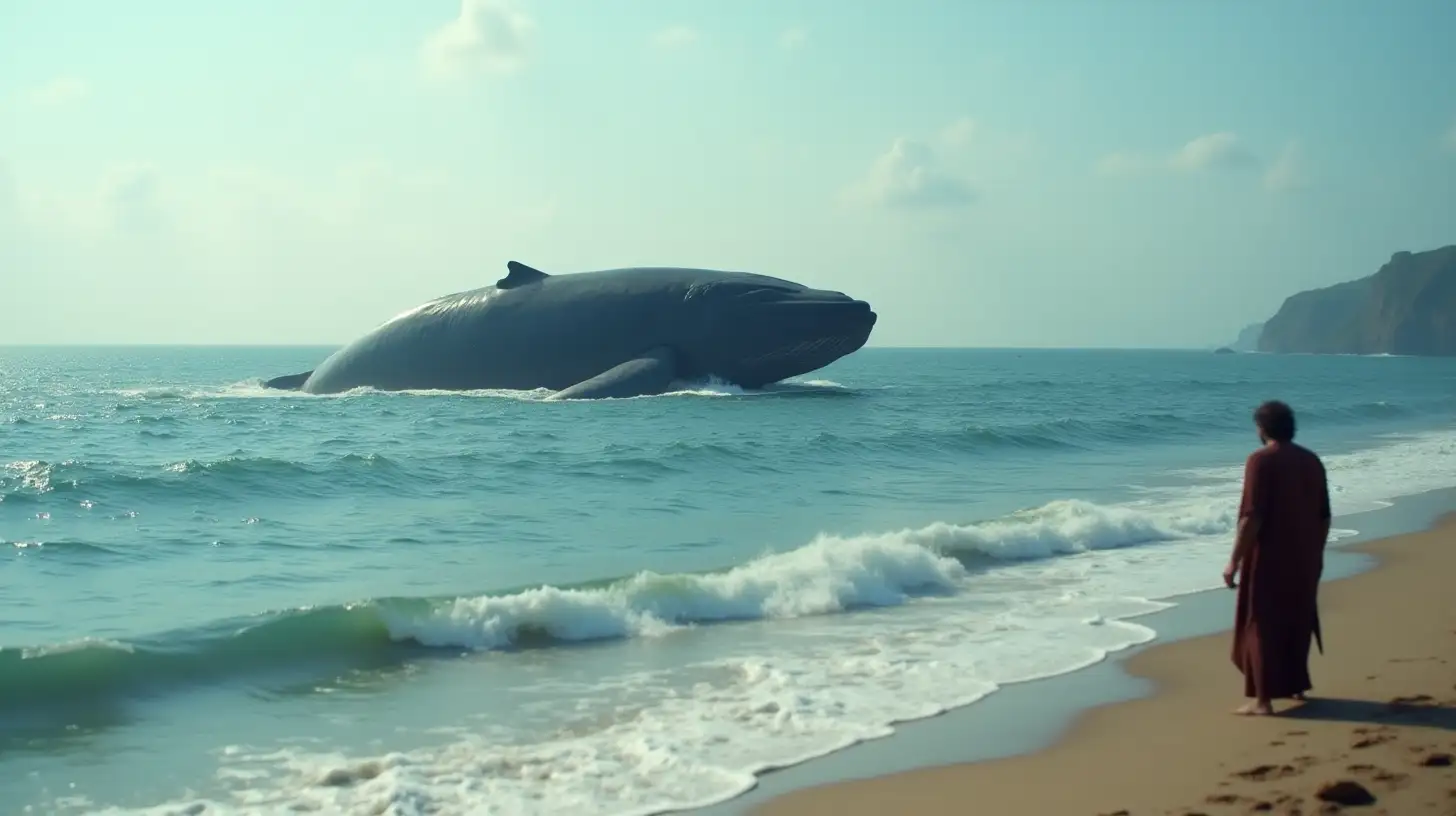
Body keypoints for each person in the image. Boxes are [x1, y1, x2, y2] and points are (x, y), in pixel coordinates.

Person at [1223, 399, 1332, 716]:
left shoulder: (1260, 461)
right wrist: (1318, 553)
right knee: (1297, 619)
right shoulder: (1311, 461)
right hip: (1306, 554)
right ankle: (1296, 686)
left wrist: (1234, 561)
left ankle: (1263, 701)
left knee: (1260, 623)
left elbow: (1252, 518)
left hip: (1270, 557)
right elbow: (1324, 515)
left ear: (1261, 428)